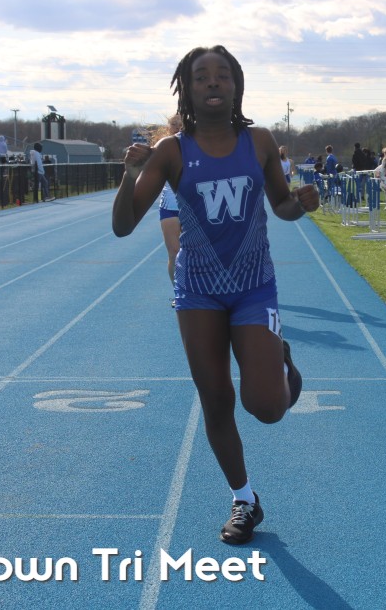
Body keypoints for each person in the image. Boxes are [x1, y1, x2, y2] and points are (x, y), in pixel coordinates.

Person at [112, 45, 319, 545]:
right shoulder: (172, 151)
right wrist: (128, 175)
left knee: (266, 407)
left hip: (253, 286)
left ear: (236, 86)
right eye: (201, 75)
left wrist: (301, 204)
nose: (212, 82)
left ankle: (281, 363)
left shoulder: (260, 142)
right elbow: (123, 225)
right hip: (198, 292)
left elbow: (282, 206)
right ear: (185, 88)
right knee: (217, 399)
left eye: (222, 75)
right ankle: (244, 499)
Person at [157, 114, 184, 291]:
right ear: (169, 128)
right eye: (174, 124)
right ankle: (179, 293)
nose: (177, 127)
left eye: (181, 124)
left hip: (195, 206)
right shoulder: (162, 148)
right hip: (170, 206)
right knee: (174, 252)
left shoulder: (199, 147)